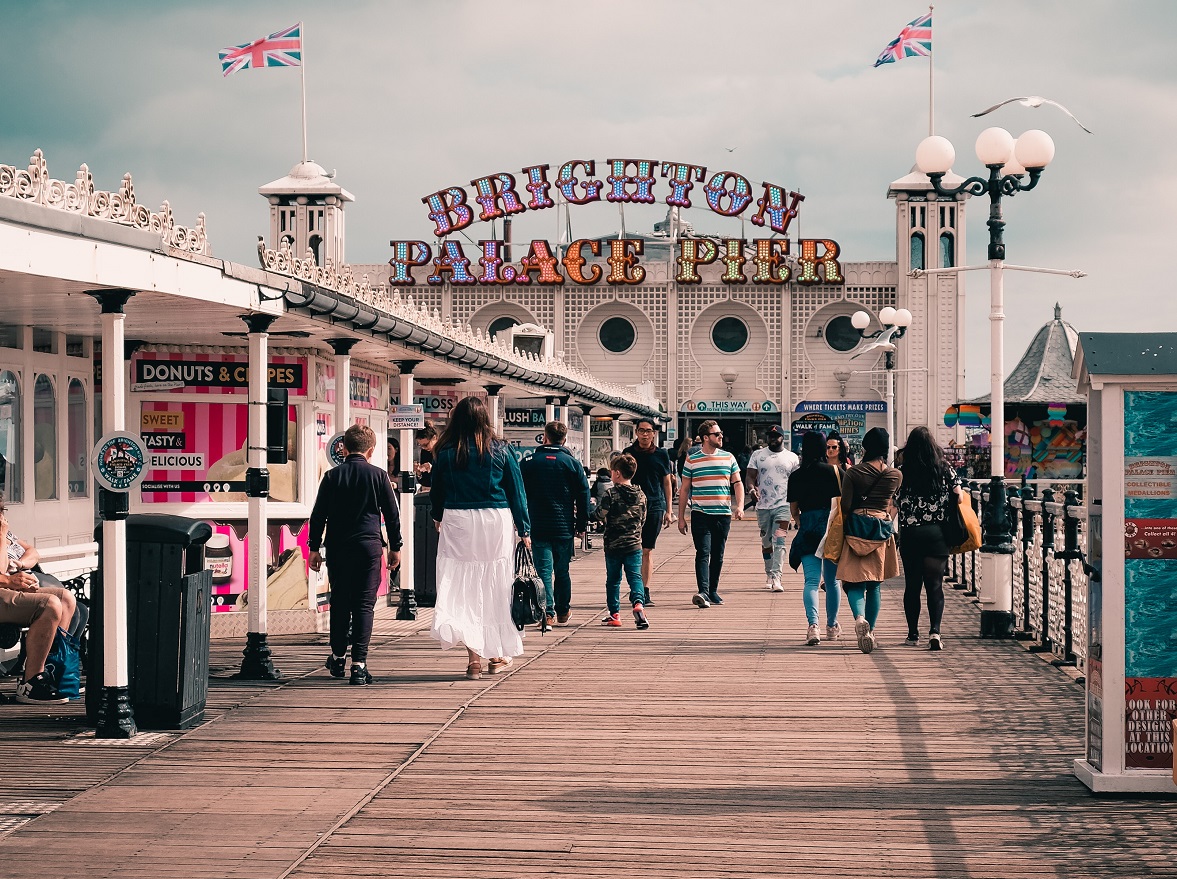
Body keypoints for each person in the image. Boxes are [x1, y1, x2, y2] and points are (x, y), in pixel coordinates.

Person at [429, 396, 530, 680]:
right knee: (495, 584)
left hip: (458, 519)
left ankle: (474, 660)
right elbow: (516, 491)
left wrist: (438, 516)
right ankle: (496, 654)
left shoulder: (446, 450)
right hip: (495, 519)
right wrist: (524, 529)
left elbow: (437, 491)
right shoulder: (501, 449)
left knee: (463, 588)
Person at [308, 424, 402, 686]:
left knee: (339, 601)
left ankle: (338, 657)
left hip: (338, 547)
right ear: (370, 451)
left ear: (344, 449)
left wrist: (313, 548)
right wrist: (396, 547)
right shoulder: (379, 476)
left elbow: (318, 515)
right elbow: (392, 516)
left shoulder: (331, 477)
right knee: (363, 605)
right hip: (368, 548)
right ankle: (359, 666)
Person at [836, 427, 901, 654]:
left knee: (853, 582)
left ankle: (859, 618)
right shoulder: (895, 475)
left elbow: (845, 505)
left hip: (856, 528)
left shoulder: (854, 473)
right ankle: (870, 631)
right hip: (881, 530)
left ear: (865, 447)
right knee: (875, 585)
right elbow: (891, 502)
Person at [896, 426, 962, 651]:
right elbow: (959, 495)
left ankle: (913, 634)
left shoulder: (902, 470)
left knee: (912, 586)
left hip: (911, 533)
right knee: (935, 586)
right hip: (937, 533)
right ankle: (935, 631)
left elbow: (895, 500)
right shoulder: (944, 469)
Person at [520, 421, 589, 627]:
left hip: (538, 525)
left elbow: (519, 493)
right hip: (564, 526)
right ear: (564, 440)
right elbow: (583, 493)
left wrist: (521, 522)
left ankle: (546, 613)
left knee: (543, 571)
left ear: (544, 437)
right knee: (562, 570)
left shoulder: (529, 461)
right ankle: (563, 611)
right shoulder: (572, 463)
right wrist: (582, 524)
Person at [677, 419, 744, 608]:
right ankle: (703, 592)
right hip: (700, 513)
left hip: (723, 514)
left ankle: (713, 590)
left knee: (718, 554)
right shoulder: (693, 459)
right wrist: (681, 518)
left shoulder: (728, 457)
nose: (721, 436)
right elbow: (684, 490)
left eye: (721, 433)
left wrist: (739, 506)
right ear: (706, 438)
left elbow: (737, 483)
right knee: (703, 552)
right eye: (717, 434)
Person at [787, 432, 843, 645]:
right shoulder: (835, 472)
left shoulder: (797, 476)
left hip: (809, 528)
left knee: (811, 581)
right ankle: (832, 626)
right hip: (831, 530)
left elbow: (794, 509)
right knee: (832, 581)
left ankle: (813, 626)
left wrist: (801, 521)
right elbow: (844, 503)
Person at [594, 453, 649, 629]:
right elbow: (643, 519)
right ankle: (638, 603)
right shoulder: (641, 495)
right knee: (635, 577)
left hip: (613, 545)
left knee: (613, 580)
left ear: (617, 473)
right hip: (634, 544)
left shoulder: (611, 494)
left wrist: (590, 513)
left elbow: (600, 515)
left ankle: (615, 614)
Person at [622, 417, 673, 607]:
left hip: (654, 505)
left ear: (654, 433)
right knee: (632, 549)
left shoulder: (661, 455)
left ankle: (644, 590)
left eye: (648, 431)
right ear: (636, 432)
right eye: (641, 431)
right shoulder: (628, 453)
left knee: (647, 550)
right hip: (631, 507)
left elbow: (666, 482)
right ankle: (635, 588)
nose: (645, 434)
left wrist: (669, 509)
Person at [746, 425, 799, 593]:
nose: (773, 438)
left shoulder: (792, 457)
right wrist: (752, 489)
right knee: (766, 542)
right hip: (763, 506)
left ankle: (777, 577)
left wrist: (797, 505)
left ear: (783, 437)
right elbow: (750, 476)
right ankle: (768, 573)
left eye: (776, 436)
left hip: (783, 506)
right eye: (770, 436)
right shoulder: (758, 455)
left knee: (780, 541)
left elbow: (798, 481)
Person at [414, 423, 438, 489]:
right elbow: (425, 482)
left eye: (425, 445)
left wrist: (433, 469)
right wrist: (419, 473)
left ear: (434, 438)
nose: (423, 448)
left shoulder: (444, 452)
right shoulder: (425, 452)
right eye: (420, 445)